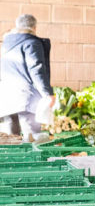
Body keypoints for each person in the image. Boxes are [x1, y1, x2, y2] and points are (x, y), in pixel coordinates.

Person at [0, 14, 55, 142]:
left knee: (11, 140)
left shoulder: (7, 44)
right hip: (26, 97)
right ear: (34, 27)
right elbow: (36, 69)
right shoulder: (31, 43)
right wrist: (47, 93)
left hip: (7, 97)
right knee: (32, 139)